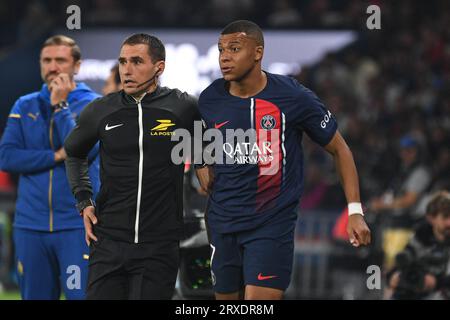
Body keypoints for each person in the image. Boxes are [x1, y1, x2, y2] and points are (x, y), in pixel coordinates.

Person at [195, 20, 371, 300]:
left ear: (258, 52)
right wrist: (199, 161)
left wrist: (354, 211)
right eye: (221, 50)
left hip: (270, 225)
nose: (224, 57)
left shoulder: (292, 97)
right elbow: (196, 134)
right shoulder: (210, 98)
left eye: (235, 48)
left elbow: (341, 149)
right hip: (222, 223)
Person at [64, 33, 200, 300]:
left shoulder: (183, 107)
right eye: (123, 62)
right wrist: (83, 200)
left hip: (159, 245)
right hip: (108, 241)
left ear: (159, 67)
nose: (126, 69)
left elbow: (209, 146)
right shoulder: (100, 111)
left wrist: (205, 166)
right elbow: (73, 151)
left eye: (137, 61)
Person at [0, 35, 100, 299]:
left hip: (77, 226)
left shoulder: (95, 105)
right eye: (47, 60)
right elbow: (7, 157)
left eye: (60, 60)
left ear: (76, 66)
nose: (53, 67)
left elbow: (85, 151)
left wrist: (60, 106)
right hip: (30, 226)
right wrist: (55, 156)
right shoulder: (25, 104)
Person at [387, 190, 450, 300]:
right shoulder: (419, 238)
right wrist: (393, 277)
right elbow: (401, 264)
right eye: (445, 217)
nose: (449, 222)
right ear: (431, 218)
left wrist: (436, 282)